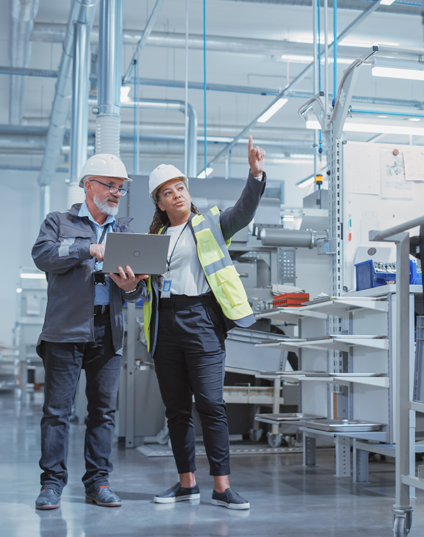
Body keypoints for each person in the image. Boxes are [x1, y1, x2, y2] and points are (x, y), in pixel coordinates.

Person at [144, 137, 266, 510]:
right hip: (164, 325)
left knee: (211, 403)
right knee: (177, 408)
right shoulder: (153, 239)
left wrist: (255, 175)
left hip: (201, 320)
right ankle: (186, 484)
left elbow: (243, 213)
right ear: (160, 203)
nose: (177, 194)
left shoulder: (210, 223)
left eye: (180, 187)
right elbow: (139, 290)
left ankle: (222, 486)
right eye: (168, 192)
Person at [31, 154, 148, 510]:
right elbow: (43, 255)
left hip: (107, 330)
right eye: (110, 185)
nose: (116, 192)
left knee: (103, 412)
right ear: (88, 185)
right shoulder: (59, 221)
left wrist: (130, 285)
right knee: (57, 412)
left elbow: (137, 294)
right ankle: (51, 485)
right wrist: (88, 248)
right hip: (64, 330)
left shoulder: (125, 232)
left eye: (120, 188)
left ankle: (98, 483)